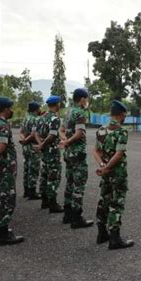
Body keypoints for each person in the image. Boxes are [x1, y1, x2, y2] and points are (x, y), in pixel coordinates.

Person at [93, 100, 134, 250]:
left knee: (104, 200)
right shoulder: (121, 131)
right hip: (117, 173)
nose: (125, 117)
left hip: (106, 173)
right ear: (122, 114)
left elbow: (95, 151)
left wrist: (102, 166)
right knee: (116, 203)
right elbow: (119, 153)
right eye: (125, 115)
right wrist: (108, 167)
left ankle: (102, 233)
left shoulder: (101, 130)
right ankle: (115, 239)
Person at [60, 88, 93, 228]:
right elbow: (79, 133)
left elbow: (61, 130)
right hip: (77, 153)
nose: (87, 102)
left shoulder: (68, 112)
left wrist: (64, 140)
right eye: (87, 99)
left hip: (68, 153)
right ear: (82, 99)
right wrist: (68, 141)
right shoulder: (80, 113)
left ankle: (67, 214)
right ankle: (76, 218)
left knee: (70, 181)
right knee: (79, 184)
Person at [0, 96, 24, 245]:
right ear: (6, 109)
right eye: (10, 108)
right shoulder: (2, 124)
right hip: (3, 170)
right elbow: (1, 147)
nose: (12, 110)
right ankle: (2, 233)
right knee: (6, 199)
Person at [34, 95, 64, 213]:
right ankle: (53, 204)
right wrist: (42, 144)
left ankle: (44, 201)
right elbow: (52, 136)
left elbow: (35, 132)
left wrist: (40, 143)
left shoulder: (41, 117)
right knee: (53, 177)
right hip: (52, 151)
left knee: (45, 175)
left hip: (45, 151)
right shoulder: (54, 119)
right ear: (57, 104)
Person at [19, 101, 41, 200]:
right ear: (36, 109)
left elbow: (21, 132)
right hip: (33, 146)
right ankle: (32, 192)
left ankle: (26, 191)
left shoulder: (26, 118)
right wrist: (27, 140)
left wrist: (23, 140)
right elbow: (33, 134)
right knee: (33, 169)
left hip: (26, 147)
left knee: (26, 168)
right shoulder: (35, 119)